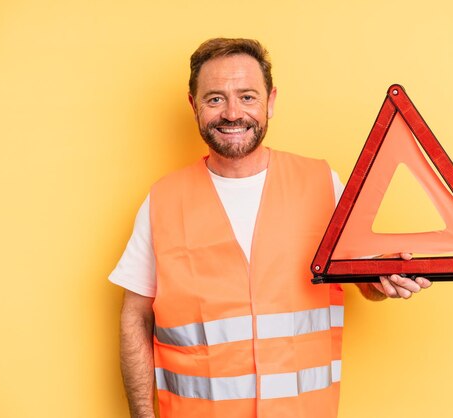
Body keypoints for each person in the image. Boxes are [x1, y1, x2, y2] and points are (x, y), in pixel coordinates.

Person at [109, 38, 431, 418]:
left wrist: (384, 277)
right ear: (193, 105)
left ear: (271, 101)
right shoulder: (162, 201)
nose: (232, 113)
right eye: (215, 99)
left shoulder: (321, 183)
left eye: (247, 97)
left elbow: (365, 282)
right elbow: (135, 316)